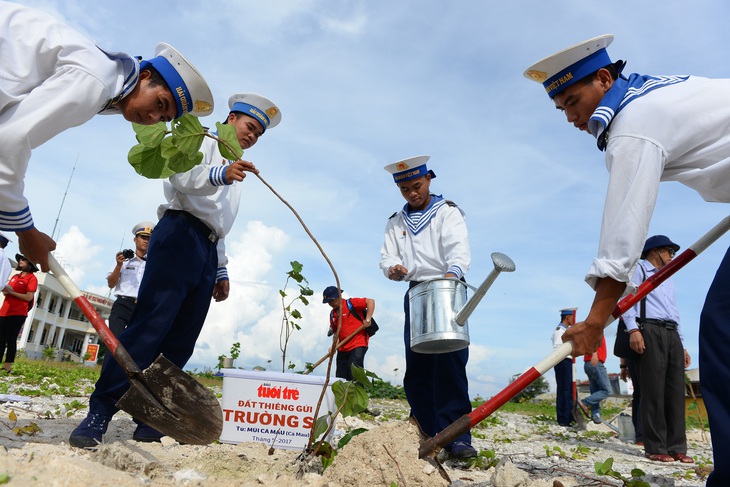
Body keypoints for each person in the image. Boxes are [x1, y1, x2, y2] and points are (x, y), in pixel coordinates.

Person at [524, 34, 730, 481]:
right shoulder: (652, 93)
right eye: (562, 109)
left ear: (603, 78)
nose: (572, 118)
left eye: (574, 102)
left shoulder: (633, 123)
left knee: (724, 335)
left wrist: (596, 319)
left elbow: (622, 238)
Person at [69, 93, 281, 447]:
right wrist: (221, 173)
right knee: (150, 325)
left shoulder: (236, 166)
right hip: (179, 232)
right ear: (231, 118)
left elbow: (220, 222)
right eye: (250, 126)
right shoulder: (198, 139)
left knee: (182, 338)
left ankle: (150, 418)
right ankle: (99, 412)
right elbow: (181, 179)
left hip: (207, 248)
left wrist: (221, 269)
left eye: (259, 133)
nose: (252, 136)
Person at [0, 1, 214, 272]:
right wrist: (26, 231)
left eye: (163, 118)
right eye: (159, 104)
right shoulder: (96, 79)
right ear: (145, 76)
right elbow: (9, 141)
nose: (153, 119)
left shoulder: (104, 78)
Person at [379, 155, 476, 460]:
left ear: (429, 179)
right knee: (418, 365)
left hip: (448, 288)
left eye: (417, 185)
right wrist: (393, 268)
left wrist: (451, 275)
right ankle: (422, 430)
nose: (412, 193)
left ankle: (456, 437)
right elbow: (386, 257)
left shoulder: (447, 212)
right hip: (416, 292)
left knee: (450, 365)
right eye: (405, 189)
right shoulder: (396, 222)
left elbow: (459, 250)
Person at [621, 235, 692, 463]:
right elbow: (624, 299)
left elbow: (673, 311)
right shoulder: (640, 270)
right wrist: (633, 330)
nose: (672, 256)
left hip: (671, 332)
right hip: (649, 329)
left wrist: (682, 344)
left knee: (674, 390)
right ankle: (656, 447)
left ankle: (677, 446)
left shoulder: (668, 277)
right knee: (653, 390)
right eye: (669, 251)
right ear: (655, 251)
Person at [106, 222, 154, 338]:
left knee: (137, 345)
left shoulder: (154, 263)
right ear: (135, 240)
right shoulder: (124, 260)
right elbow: (111, 284)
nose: (146, 241)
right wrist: (118, 265)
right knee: (114, 344)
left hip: (142, 307)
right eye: (143, 237)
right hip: (123, 305)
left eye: (149, 238)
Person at [322, 286, 375, 381]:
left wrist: (368, 319)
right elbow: (336, 334)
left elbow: (370, 301)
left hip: (357, 344)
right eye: (328, 302)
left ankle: (357, 395)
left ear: (338, 297)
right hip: (342, 348)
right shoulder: (333, 314)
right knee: (340, 378)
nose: (330, 304)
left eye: (331, 301)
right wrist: (334, 346)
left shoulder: (350, 304)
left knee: (354, 374)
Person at [0, 254, 38, 374]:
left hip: (18, 312)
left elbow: (28, 297)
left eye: (23, 259)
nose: (20, 261)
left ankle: (7, 367)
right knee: (0, 339)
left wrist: (12, 293)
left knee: (10, 339)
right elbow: (7, 292)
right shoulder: (15, 276)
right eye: (20, 259)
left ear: (30, 263)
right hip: (5, 310)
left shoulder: (32, 278)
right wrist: (7, 290)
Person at [576, 335, 611, 425]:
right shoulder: (597, 327)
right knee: (606, 391)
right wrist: (595, 354)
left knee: (595, 390)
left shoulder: (591, 328)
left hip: (588, 363)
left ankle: (596, 416)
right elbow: (593, 339)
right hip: (595, 361)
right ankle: (584, 402)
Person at [552, 308, 575, 427]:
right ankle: (563, 418)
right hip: (562, 361)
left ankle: (569, 416)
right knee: (564, 390)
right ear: (568, 317)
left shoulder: (567, 331)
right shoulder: (559, 331)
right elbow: (558, 348)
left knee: (569, 390)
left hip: (568, 360)